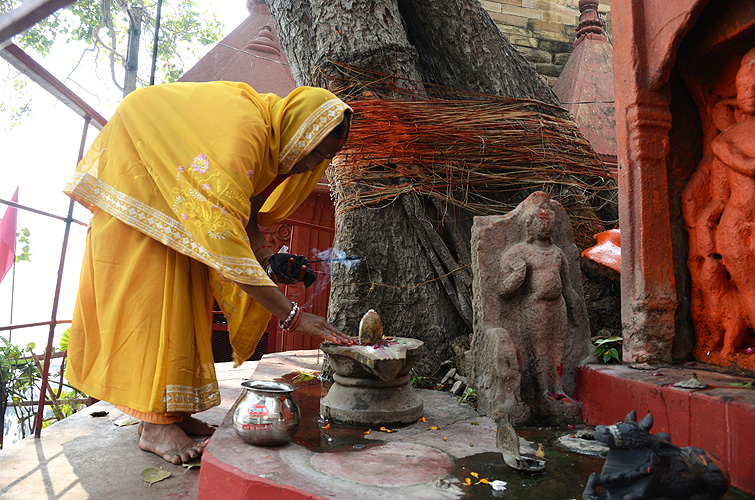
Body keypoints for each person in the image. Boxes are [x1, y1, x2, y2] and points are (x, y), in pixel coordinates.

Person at [63, 81, 355, 464]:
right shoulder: (246, 132)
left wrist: (268, 257)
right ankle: (153, 427)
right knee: (158, 295)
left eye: (324, 158)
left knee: (184, 294)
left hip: (168, 184)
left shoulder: (269, 144)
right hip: (141, 173)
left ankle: (172, 415)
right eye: (314, 149)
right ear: (298, 127)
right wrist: (293, 315)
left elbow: (242, 209)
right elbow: (224, 243)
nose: (313, 163)